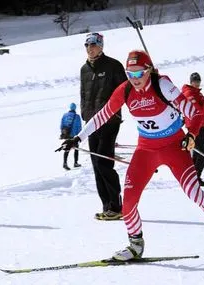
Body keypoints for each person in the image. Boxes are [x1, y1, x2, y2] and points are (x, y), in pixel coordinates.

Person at [62, 50, 204, 261]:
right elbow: (102, 116)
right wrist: (78, 138)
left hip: (174, 147)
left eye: (139, 73)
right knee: (128, 202)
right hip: (146, 150)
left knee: (194, 192)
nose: (134, 79)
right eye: (130, 73)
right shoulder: (125, 90)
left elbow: (195, 113)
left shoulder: (162, 85)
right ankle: (135, 245)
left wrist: (191, 134)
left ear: (149, 70)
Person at [80, 32, 127, 220]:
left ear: (101, 46)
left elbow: (126, 90)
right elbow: (84, 94)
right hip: (91, 122)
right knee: (96, 165)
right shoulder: (84, 69)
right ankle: (107, 206)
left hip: (109, 120)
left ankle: (116, 206)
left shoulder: (113, 66)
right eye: (87, 45)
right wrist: (84, 114)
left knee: (104, 162)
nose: (90, 48)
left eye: (93, 45)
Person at [181, 72, 204, 187]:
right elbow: (197, 111)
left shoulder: (198, 94)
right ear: (191, 81)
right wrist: (202, 107)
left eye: (198, 81)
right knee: (201, 153)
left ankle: (194, 178)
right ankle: (196, 177)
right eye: (195, 81)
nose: (197, 83)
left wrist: (202, 107)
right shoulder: (189, 93)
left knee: (197, 153)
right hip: (195, 126)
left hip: (201, 125)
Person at [60, 102, 82, 170]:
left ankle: (65, 163)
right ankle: (75, 163)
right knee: (76, 149)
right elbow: (79, 127)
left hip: (66, 135)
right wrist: (79, 136)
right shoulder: (77, 116)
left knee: (67, 149)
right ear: (75, 108)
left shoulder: (64, 115)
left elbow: (61, 125)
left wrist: (64, 133)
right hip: (74, 135)